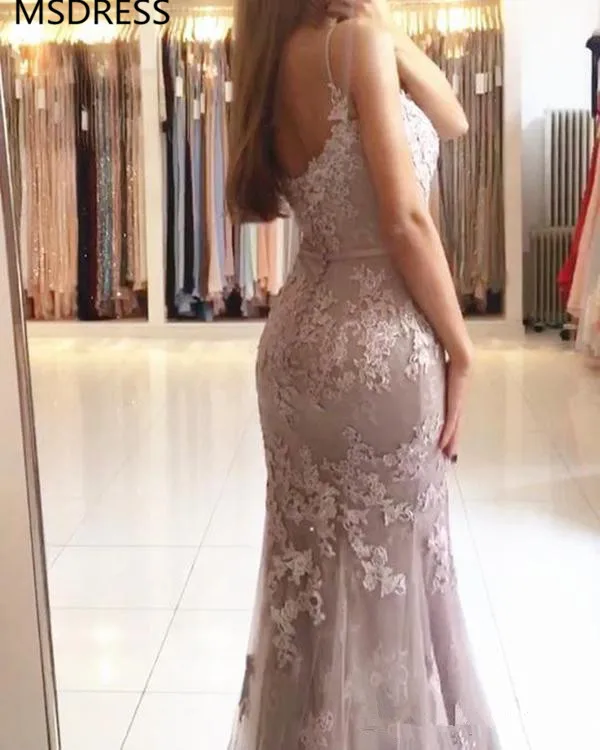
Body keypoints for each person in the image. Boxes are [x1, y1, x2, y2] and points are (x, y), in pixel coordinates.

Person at [226, 0, 500, 747]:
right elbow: (405, 222)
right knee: (398, 576)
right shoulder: (354, 48)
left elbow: (451, 116)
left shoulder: (270, 53)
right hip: (379, 352)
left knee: (306, 583)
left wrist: (387, 30)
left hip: (297, 352)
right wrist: (462, 348)